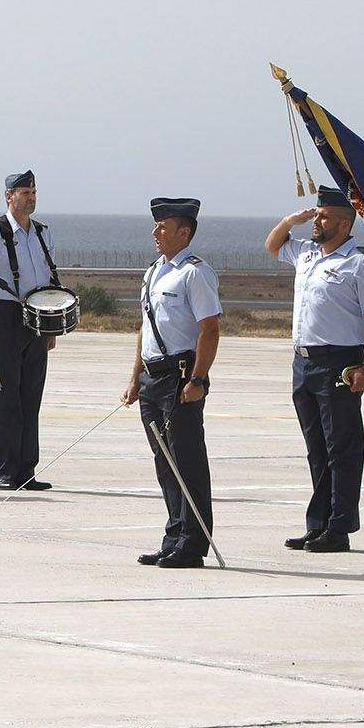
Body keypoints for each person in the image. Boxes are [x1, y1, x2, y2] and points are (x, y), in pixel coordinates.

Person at [264, 186, 364, 552]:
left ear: (343, 222)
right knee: (316, 447)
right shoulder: (306, 254)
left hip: (340, 362)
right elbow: (273, 245)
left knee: (342, 447)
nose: (316, 221)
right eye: (316, 215)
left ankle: (339, 528)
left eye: (323, 216)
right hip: (304, 362)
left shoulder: (359, 262)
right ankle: (318, 522)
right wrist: (292, 220)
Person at [124, 197, 221, 568]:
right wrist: (134, 377)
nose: (155, 233)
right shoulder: (154, 271)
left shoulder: (195, 273)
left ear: (184, 232)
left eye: (162, 227)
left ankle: (193, 543)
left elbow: (209, 329)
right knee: (164, 461)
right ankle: (174, 534)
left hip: (181, 377)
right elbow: (145, 329)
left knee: (187, 460)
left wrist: (198, 377)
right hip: (152, 377)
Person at [0, 170, 61, 491]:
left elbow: (48, 281)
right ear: (8, 196)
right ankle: (4, 469)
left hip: (37, 316)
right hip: (5, 315)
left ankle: (26, 470)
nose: (31, 197)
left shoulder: (42, 233)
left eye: (33, 191)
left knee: (31, 395)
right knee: (7, 393)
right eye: (24, 192)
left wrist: (50, 329)